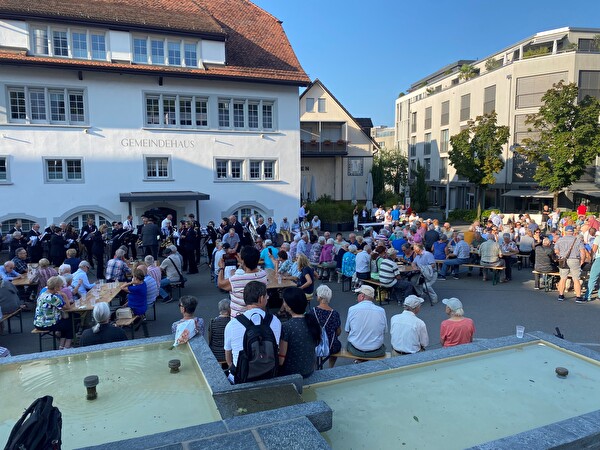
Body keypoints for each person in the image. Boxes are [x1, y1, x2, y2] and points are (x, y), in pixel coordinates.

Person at [224, 281, 282, 383]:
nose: (267, 298)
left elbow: (228, 357)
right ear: (261, 299)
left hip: (242, 378)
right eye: (266, 296)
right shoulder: (275, 321)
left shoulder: (232, 324)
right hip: (269, 374)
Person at [278, 287, 321, 378]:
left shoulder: (286, 327)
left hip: (292, 373)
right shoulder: (312, 321)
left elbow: (281, 360)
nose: (283, 304)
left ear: (289, 306)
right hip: (309, 370)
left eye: (284, 302)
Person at [218, 246, 267, 317]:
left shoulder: (236, 279)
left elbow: (220, 283)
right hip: (258, 316)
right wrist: (242, 263)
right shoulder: (263, 274)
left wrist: (221, 268)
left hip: (239, 317)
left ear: (243, 260)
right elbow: (249, 270)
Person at [345, 285, 387, 359]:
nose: (357, 297)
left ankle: (359, 360)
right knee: (382, 346)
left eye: (358, 295)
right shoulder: (381, 311)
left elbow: (347, 330)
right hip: (376, 350)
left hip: (356, 349)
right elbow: (384, 331)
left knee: (349, 343)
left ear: (362, 296)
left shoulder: (352, 309)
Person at [33, 276, 74, 349]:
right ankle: (67, 347)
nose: (61, 288)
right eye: (61, 286)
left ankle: (62, 346)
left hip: (38, 323)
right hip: (46, 324)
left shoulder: (42, 294)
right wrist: (64, 296)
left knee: (65, 323)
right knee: (69, 324)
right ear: (56, 288)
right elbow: (67, 307)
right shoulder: (53, 297)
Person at [313, 285, 342, 368]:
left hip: (315, 345)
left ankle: (316, 366)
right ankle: (330, 367)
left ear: (320, 297)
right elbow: (338, 332)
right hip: (331, 346)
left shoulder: (312, 312)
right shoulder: (335, 314)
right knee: (336, 344)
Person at [555, 225, 586, 302]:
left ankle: (561, 295)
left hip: (563, 260)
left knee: (563, 278)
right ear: (573, 232)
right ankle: (578, 297)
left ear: (565, 232)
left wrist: (561, 256)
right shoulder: (578, 240)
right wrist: (582, 260)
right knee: (576, 279)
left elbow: (556, 251)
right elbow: (582, 252)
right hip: (574, 260)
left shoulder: (560, 240)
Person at [208, 298, 231, 364]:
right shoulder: (231, 322)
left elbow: (210, 339)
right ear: (229, 309)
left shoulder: (212, 322)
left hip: (214, 354)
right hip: (227, 356)